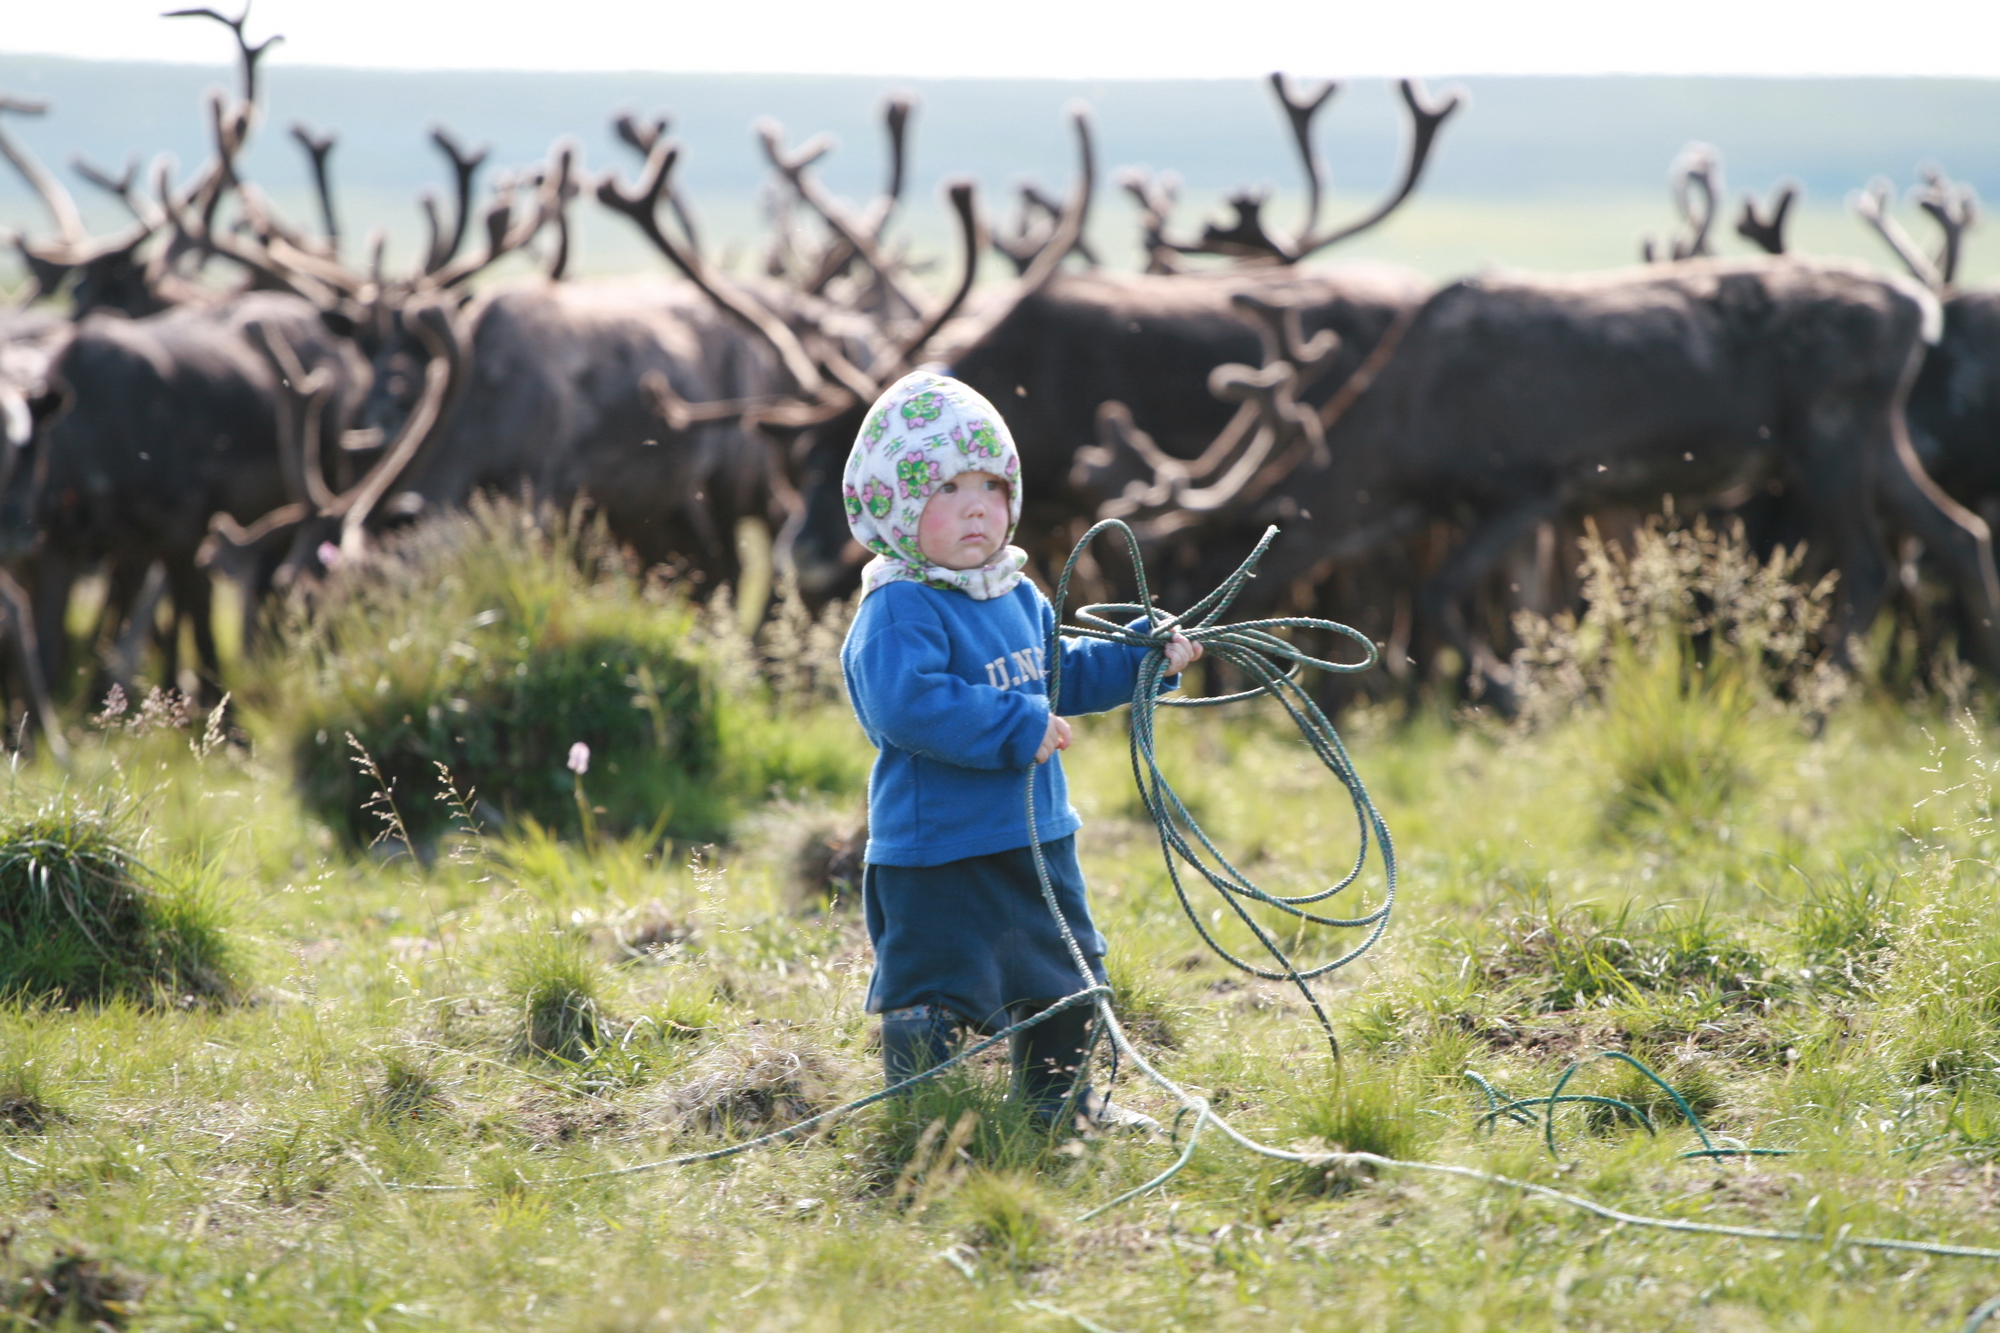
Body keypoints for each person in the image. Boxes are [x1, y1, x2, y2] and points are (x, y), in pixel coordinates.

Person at [838, 370, 1200, 1131]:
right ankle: (925, 1114)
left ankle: (1058, 1106)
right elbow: (906, 706)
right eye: (945, 489)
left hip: (1036, 837)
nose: (977, 506)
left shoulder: (1014, 593)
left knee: (1065, 977)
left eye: (992, 486)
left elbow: (1057, 668)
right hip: (937, 851)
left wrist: (1143, 660)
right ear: (894, 504)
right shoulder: (901, 604)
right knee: (932, 989)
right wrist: (1012, 726)